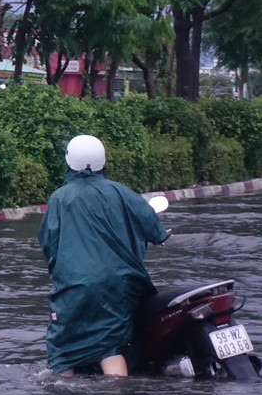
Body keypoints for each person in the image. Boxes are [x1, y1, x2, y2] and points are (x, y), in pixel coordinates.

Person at [38, 134, 170, 377]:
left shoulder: (59, 198)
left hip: (75, 286)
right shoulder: (120, 192)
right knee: (110, 346)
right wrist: (160, 236)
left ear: (69, 161)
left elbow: (49, 244)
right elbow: (151, 223)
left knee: (63, 350)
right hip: (120, 284)